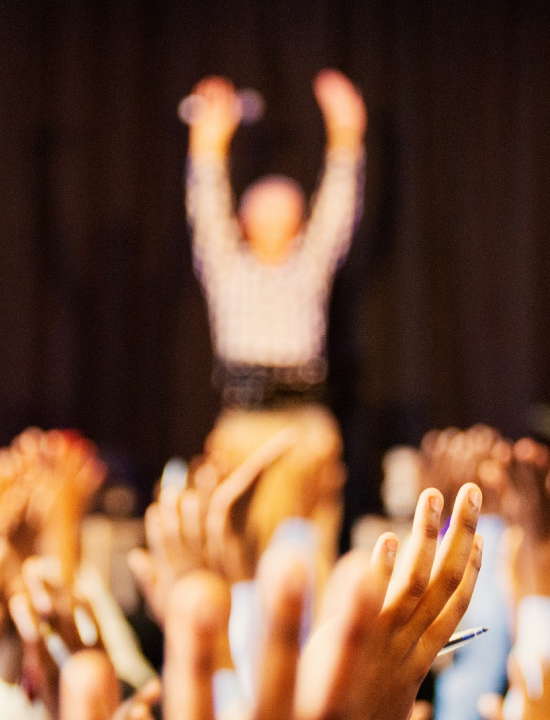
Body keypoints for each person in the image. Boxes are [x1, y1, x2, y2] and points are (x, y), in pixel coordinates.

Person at [184, 68, 366, 580]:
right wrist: (208, 143)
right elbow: (206, 205)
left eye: (287, 205)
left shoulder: (308, 267)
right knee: (241, 554)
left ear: (300, 219)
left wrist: (346, 133)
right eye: (261, 206)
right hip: (244, 424)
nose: (275, 211)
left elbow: (338, 209)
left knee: (308, 559)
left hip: (305, 425)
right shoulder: (228, 267)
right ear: (244, 221)